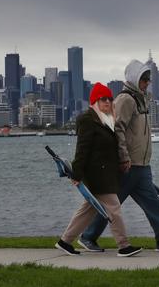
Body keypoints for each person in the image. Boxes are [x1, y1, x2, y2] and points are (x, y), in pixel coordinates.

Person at [79, 60, 159, 252]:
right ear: (135, 79)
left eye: (148, 79)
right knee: (112, 205)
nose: (147, 82)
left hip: (141, 165)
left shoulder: (141, 99)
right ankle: (88, 236)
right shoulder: (126, 99)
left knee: (153, 204)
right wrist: (123, 157)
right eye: (144, 79)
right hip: (128, 165)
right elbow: (117, 128)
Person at [55, 82, 142, 257]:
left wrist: (122, 161)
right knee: (114, 207)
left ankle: (65, 241)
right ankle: (124, 246)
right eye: (103, 99)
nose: (108, 103)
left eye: (110, 99)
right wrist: (77, 174)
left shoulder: (106, 120)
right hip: (96, 175)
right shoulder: (88, 119)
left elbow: (109, 148)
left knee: (88, 209)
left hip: (105, 173)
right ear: (95, 101)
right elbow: (82, 149)